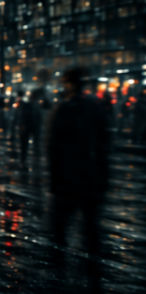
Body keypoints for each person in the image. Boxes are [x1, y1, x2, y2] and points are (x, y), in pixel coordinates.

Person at [45, 67, 110, 292]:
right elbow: (104, 144)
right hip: (90, 178)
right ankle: (94, 278)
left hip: (69, 179)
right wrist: (104, 176)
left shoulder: (63, 109)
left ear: (69, 84)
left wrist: (55, 181)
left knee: (59, 228)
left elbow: (53, 148)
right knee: (91, 230)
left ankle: (59, 277)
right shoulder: (95, 108)